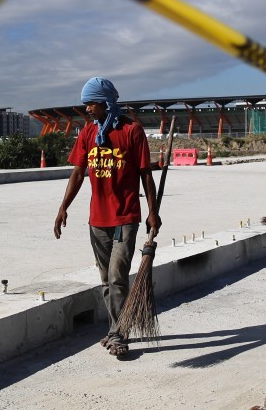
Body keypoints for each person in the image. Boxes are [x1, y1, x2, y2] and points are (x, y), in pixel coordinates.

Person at [53, 77, 161, 357]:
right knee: (105, 279)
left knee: (117, 276)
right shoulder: (89, 133)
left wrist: (153, 212)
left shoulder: (132, 131)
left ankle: (118, 334)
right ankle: (116, 327)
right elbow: (78, 172)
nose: (87, 108)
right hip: (97, 219)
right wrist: (63, 207)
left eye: (91, 103)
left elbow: (145, 175)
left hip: (125, 215)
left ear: (106, 103)